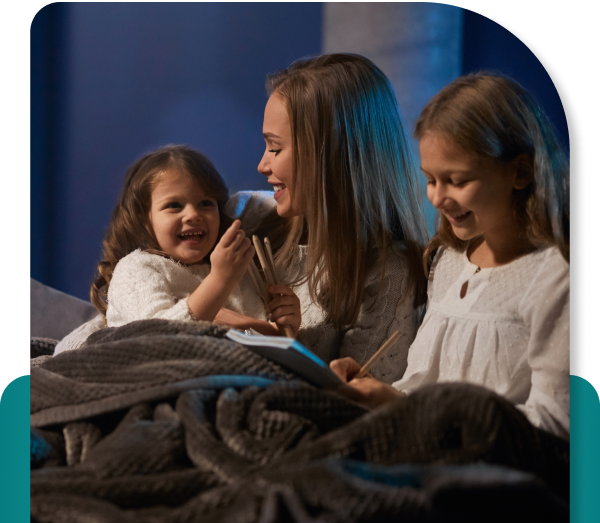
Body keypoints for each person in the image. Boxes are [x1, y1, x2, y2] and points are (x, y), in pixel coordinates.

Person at [331, 73, 570, 439]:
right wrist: (378, 394)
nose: (438, 199)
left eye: (457, 181)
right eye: (431, 179)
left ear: (520, 172)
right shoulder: (447, 259)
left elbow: (554, 429)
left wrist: (403, 409)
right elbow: (424, 387)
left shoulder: (557, 277)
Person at [221, 53, 430, 383]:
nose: (262, 166)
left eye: (275, 149)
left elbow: (351, 401)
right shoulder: (245, 217)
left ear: (331, 155)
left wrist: (287, 344)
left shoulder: (390, 277)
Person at [86, 145, 300, 335]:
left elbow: (256, 343)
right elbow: (156, 337)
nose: (193, 215)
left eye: (206, 203)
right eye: (174, 206)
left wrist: (283, 329)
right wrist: (219, 281)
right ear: (143, 219)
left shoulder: (239, 271)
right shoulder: (136, 268)